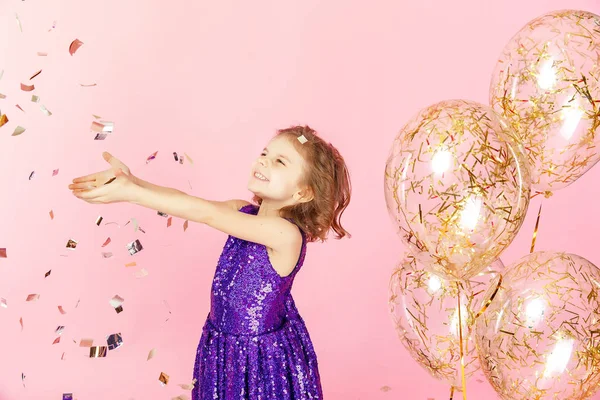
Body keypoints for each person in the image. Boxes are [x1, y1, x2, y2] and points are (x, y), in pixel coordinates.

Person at [68, 125, 352, 399]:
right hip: (221, 346)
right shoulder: (242, 211)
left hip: (257, 358)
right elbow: (188, 202)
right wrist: (133, 182)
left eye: (279, 161)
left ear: (303, 193)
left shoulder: (285, 235)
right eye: (265, 153)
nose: (263, 162)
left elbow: (207, 214)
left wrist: (131, 194)